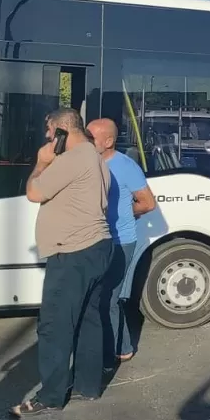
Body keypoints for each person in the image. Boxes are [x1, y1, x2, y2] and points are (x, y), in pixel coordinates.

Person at [12, 108, 112, 417]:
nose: (46, 137)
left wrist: (41, 163)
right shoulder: (94, 157)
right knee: (88, 320)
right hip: (97, 248)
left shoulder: (71, 159)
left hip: (72, 253)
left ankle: (52, 396)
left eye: (49, 131)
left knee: (55, 325)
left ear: (63, 131)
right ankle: (88, 385)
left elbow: (33, 192)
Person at [86, 118, 155, 364]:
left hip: (120, 241)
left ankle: (116, 351)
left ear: (108, 141)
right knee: (104, 297)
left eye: (91, 136)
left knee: (109, 297)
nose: (86, 140)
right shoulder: (87, 163)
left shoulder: (125, 166)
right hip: (97, 239)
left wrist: (124, 212)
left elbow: (148, 203)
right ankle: (121, 346)